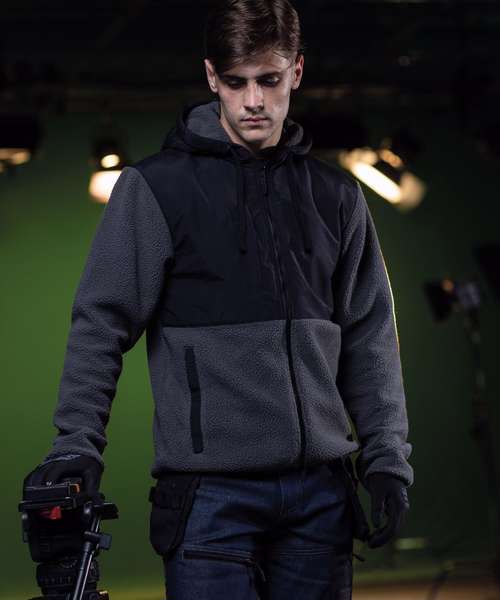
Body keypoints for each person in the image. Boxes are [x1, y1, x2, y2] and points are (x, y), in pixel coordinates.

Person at [23, 0, 413, 597]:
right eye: (236, 82)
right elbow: (101, 324)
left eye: (269, 80)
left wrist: (386, 460)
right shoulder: (154, 188)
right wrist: (76, 444)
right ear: (212, 77)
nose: (253, 100)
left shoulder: (336, 196)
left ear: (297, 71)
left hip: (320, 495)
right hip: (209, 498)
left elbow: (370, 335)